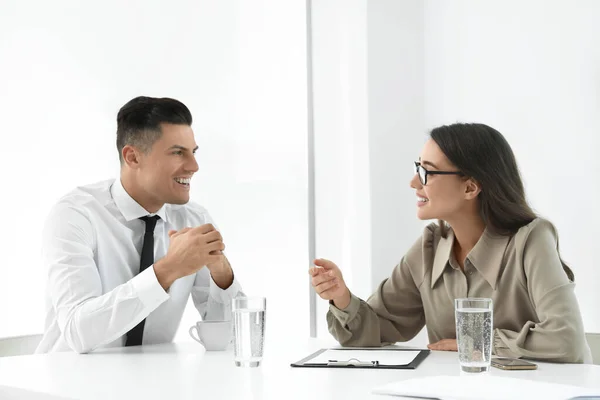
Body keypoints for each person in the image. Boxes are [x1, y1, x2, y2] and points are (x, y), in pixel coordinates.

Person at [310, 123, 591, 363]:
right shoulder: (429, 248)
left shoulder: (531, 239)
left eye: (427, 172)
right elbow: (377, 329)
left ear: (470, 187)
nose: (413, 183)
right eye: (417, 168)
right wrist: (342, 296)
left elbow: (566, 340)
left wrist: (478, 343)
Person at [36, 96, 243, 354]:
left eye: (194, 152)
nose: (194, 166)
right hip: (66, 386)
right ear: (133, 157)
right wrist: (167, 270)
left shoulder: (194, 219)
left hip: (151, 385)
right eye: (178, 152)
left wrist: (222, 275)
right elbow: (78, 332)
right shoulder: (76, 215)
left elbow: (228, 341)